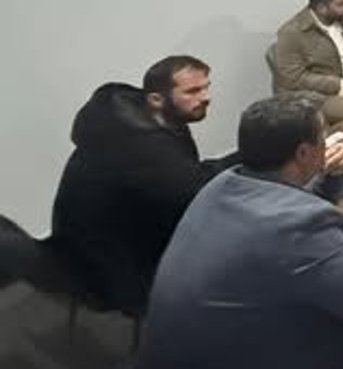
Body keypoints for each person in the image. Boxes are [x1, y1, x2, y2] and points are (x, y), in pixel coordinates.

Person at [136, 93, 343, 369]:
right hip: (245, 355)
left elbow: (284, 208)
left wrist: (331, 178)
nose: (327, 145)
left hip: (178, 351)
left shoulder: (223, 183)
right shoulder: (298, 226)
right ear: (304, 152)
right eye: (323, 139)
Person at [50, 56, 231, 317]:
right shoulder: (141, 148)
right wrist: (255, 152)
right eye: (193, 91)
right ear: (156, 99)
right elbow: (195, 189)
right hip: (109, 266)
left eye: (206, 87)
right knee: (238, 251)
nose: (206, 97)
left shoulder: (130, 116)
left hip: (91, 240)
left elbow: (181, 180)